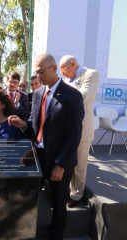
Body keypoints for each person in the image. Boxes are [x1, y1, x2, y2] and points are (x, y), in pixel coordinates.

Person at [8, 53, 84, 240]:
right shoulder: (38, 93)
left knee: (58, 205)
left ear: (54, 68)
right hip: (37, 157)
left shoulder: (72, 96)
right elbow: (37, 121)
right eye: (36, 72)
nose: (39, 76)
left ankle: (55, 236)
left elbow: (74, 135)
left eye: (42, 71)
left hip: (59, 161)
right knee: (26, 197)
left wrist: (61, 164)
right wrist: (24, 124)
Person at [59, 55, 99, 208]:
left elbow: (81, 97)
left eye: (64, 70)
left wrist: (63, 88)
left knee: (80, 164)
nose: (63, 74)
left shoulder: (91, 74)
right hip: (66, 127)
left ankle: (77, 194)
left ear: (73, 64)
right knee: (68, 160)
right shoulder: (66, 80)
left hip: (83, 126)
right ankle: (67, 190)